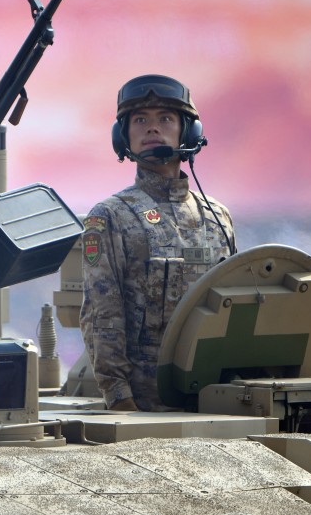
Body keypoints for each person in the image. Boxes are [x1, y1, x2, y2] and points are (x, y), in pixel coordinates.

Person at [80, 74, 236, 411]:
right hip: (146, 407)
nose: (152, 128)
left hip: (217, 400)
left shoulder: (218, 216)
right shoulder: (110, 217)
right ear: (123, 136)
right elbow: (102, 315)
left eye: (165, 118)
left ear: (189, 132)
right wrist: (119, 398)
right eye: (140, 120)